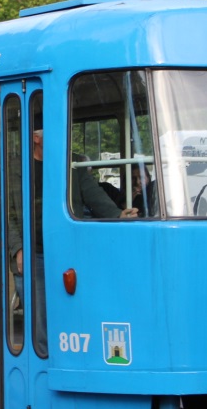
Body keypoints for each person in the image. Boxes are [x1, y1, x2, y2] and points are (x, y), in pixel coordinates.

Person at [10, 122, 136, 355]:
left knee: (73, 309)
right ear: (36, 138)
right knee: (39, 314)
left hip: (67, 248)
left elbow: (93, 194)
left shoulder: (74, 163)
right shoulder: (16, 168)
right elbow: (7, 212)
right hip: (33, 251)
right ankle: (44, 360)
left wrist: (117, 214)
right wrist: (18, 248)